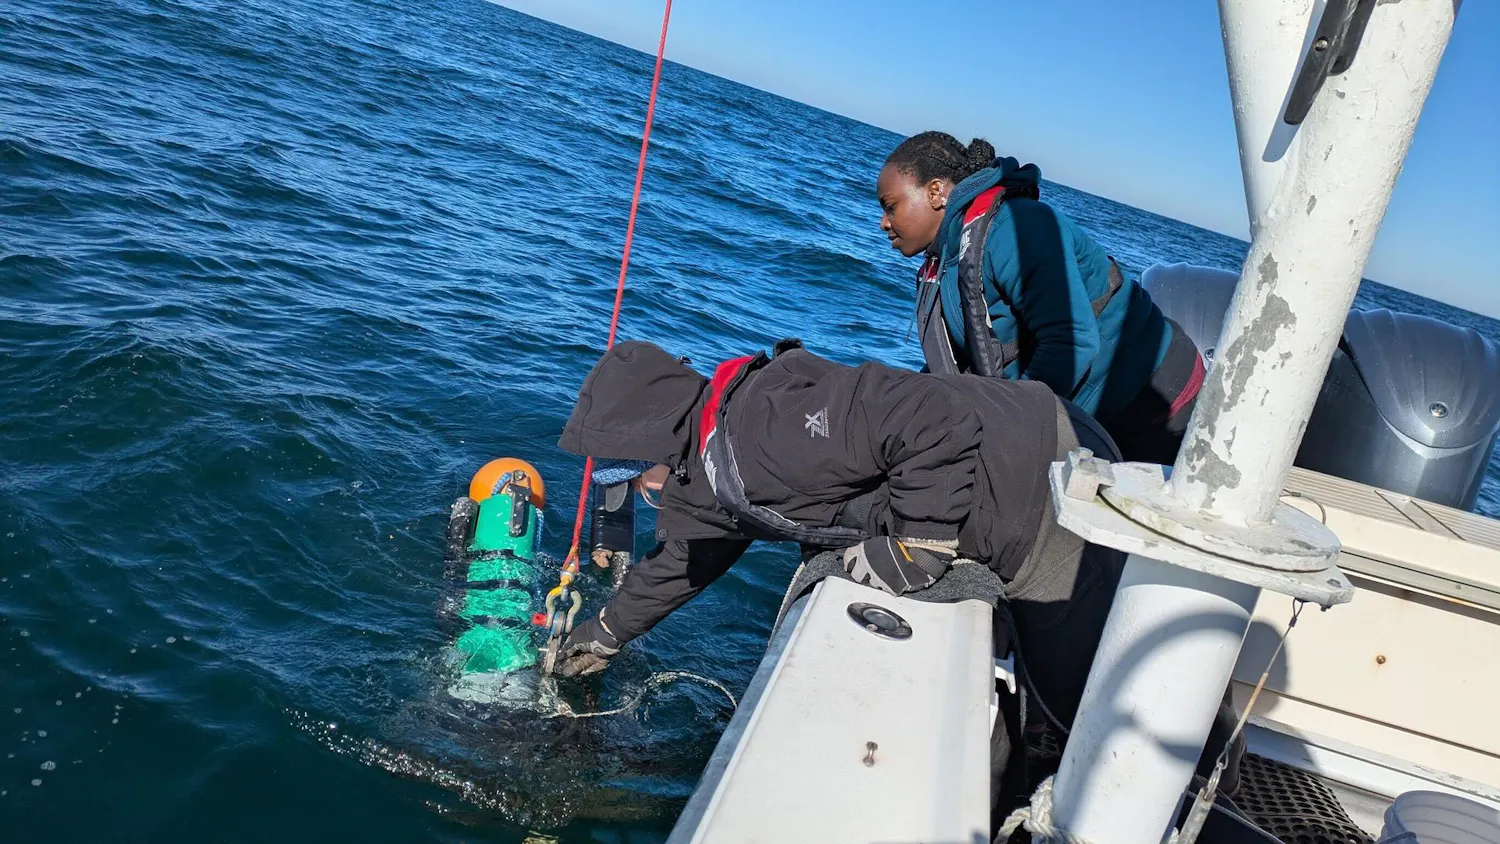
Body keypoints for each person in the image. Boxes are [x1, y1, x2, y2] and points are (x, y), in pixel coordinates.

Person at [553, 339, 1249, 828]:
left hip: (1039, 482)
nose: (632, 490)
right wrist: (602, 634)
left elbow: (929, 419)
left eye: (629, 472)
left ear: (656, 441)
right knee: (1060, 697)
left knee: (1085, 702)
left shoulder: (762, 431)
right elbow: (687, 557)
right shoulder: (709, 457)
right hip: (1023, 454)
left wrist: (918, 543)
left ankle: (1214, 802)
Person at [876, 131, 1205, 465]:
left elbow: (1072, 341)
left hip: (1155, 402)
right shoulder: (947, 259)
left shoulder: (1016, 228)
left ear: (935, 192)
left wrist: (1005, 432)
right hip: (1083, 410)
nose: (883, 222)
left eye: (891, 207)